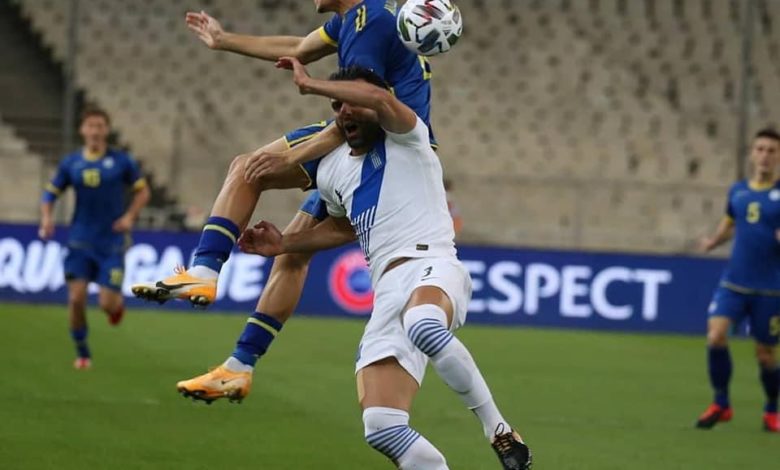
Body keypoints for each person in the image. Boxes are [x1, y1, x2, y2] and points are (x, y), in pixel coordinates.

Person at [239, 59, 531, 469]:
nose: (343, 112)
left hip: (432, 264)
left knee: (423, 324)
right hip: (387, 291)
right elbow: (341, 228)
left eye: (350, 102)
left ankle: (499, 430)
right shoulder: (332, 170)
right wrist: (284, 243)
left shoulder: (410, 137)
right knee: (381, 425)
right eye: (337, 107)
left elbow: (378, 96)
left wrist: (313, 83)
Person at [132, 0, 435, 307]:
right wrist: (223, 40)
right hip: (402, 148)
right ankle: (241, 357)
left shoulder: (364, 23)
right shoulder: (363, 16)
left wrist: (292, 157)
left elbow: (363, 108)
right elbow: (300, 47)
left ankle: (204, 270)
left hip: (380, 145)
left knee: (248, 169)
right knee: (292, 253)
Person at [39, 107, 150, 369]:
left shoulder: (121, 161)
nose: (95, 131)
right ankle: (82, 352)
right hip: (79, 240)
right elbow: (49, 194)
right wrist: (46, 218)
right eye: (90, 126)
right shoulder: (71, 163)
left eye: (100, 126)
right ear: (82, 130)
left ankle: (115, 307)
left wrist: (129, 217)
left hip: (111, 242)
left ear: (106, 130)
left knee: (106, 303)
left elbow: (143, 192)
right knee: (76, 299)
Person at [696, 128, 780, 433]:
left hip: (770, 288)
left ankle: (771, 409)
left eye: (772, 150)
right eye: (760, 149)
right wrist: (713, 242)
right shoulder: (738, 191)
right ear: (751, 154)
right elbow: (730, 223)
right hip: (734, 281)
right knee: (716, 335)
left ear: (779, 156)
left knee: (765, 354)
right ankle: (721, 402)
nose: (765, 155)